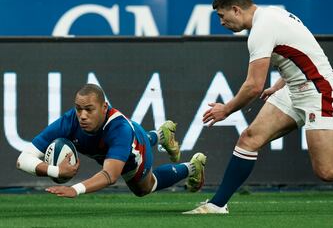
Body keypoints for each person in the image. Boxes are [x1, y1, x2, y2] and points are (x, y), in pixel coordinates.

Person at [184, 0, 333, 214]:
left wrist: (225, 110)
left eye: (222, 15)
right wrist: (280, 83)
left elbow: (253, 86)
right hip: (295, 88)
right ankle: (218, 204)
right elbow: (302, 50)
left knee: (327, 171)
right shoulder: (272, 13)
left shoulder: (261, 30)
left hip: (319, 92)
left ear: (236, 10)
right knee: (249, 139)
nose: (222, 22)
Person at [16, 83, 206, 198]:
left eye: (89, 109)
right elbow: (22, 159)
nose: (82, 115)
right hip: (117, 146)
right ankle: (161, 135)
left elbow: (110, 175)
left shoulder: (119, 128)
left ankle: (192, 167)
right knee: (117, 149)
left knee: (143, 189)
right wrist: (55, 170)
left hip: (135, 149)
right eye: (78, 108)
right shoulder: (69, 121)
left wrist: (75, 189)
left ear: (104, 107)